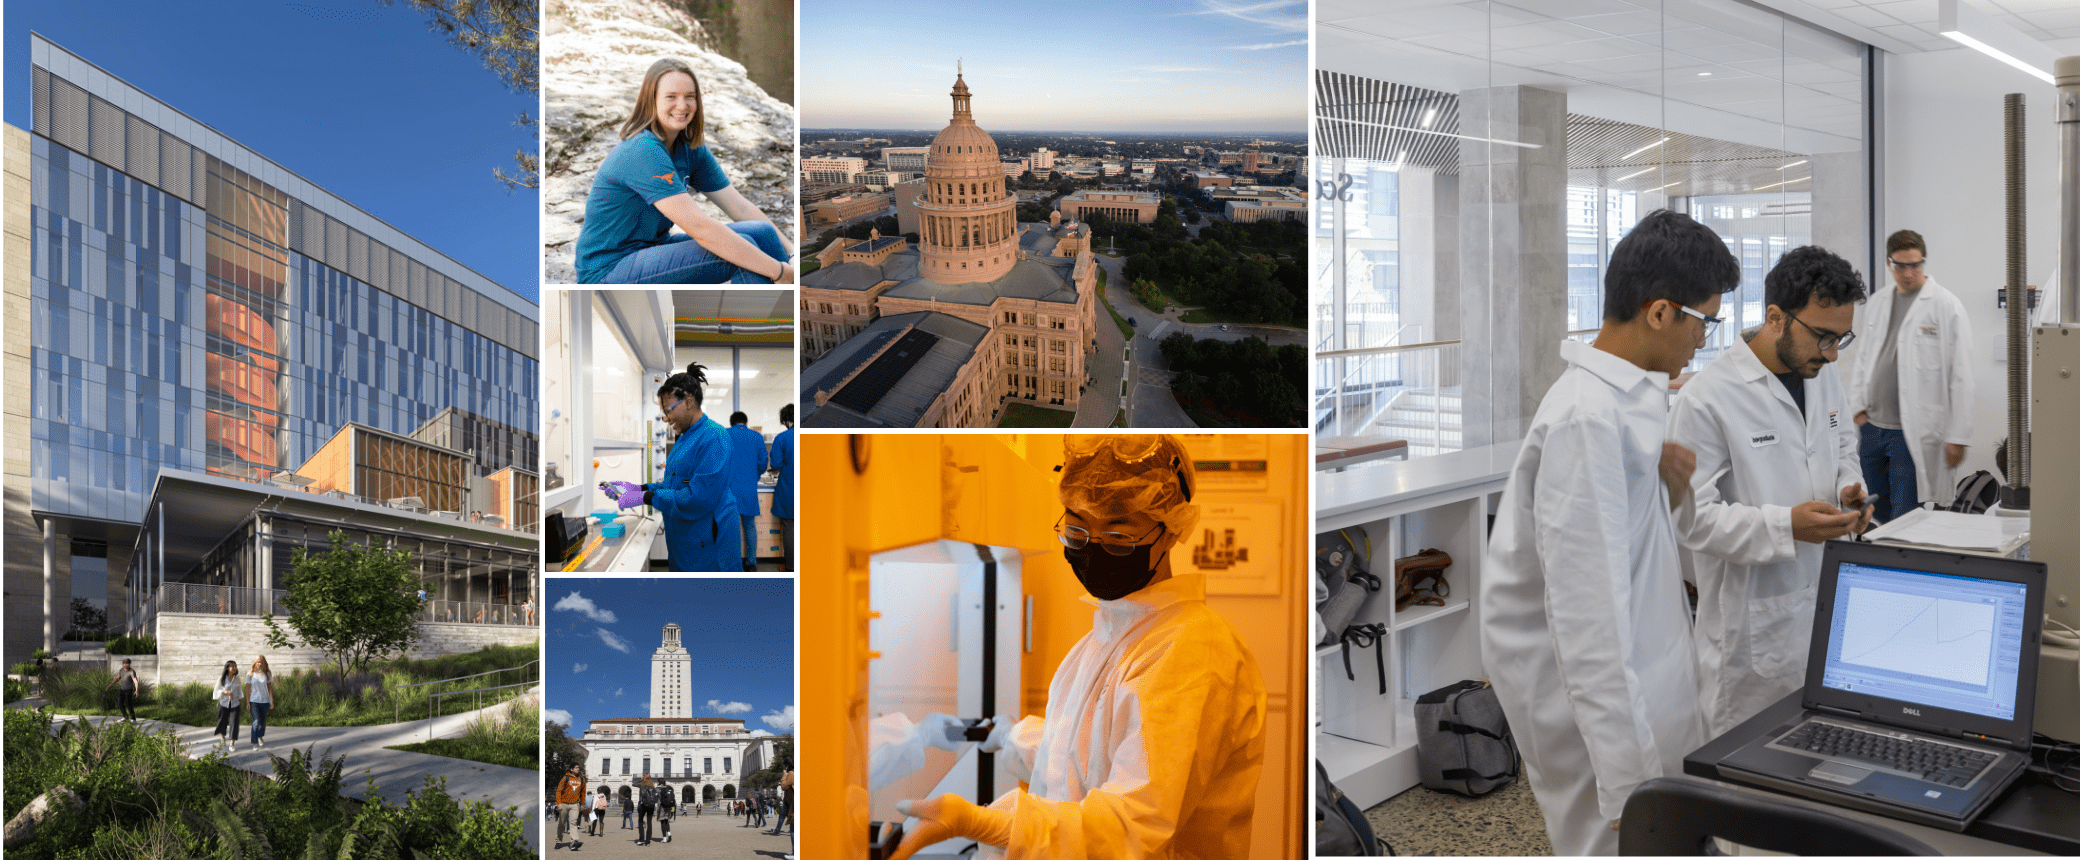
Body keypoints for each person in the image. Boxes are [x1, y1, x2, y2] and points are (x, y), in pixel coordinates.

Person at [1479, 208, 1735, 856]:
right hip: (1602, 724)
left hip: (1648, 683)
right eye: (1704, 320)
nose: (1704, 340)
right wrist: (1627, 786)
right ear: (1658, 312)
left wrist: (1666, 488)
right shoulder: (1586, 420)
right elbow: (1587, 619)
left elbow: (1631, 546)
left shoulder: (1624, 403)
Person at [891, 435, 1268, 860]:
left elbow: (1131, 826)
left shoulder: (1194, 653)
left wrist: (980, 823)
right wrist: (994, 732)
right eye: (1076, 532)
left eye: (1118, 536)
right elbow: (1079, 755)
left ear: (1170, 531)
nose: (1093, 550)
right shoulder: (1108, 638)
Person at [1670, 245, 1874, 739]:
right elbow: (1690, 518)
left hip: (1824, 605)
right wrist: (1787, 527)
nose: (1830, 354)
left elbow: (1843, 443)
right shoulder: (1710, 397)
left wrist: (1851, 488)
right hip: (1751, 631)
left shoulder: (1822, 375)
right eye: (1823, 337)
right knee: (1748, 787)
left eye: (1840, 340)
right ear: (1776, 317)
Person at [574, 57, 793, 285]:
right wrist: (778, 272)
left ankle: (785, 311)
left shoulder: (689, 148)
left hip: (651, 250)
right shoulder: (642, 150)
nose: (682, 105)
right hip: (607, 270)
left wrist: (792, 255)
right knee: (739, 256)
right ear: (651, 101)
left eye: (690, 96)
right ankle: (763, 318)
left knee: (762, 234)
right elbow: (701, 228)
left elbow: (739, 207)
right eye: (671, 97)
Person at [1842, 229, 1975, 523]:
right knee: (1873, 511)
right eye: (1901, 266)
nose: (1909, 273)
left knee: (1905, 517)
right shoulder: (1877, 302)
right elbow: (1864, 357)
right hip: (1871, 427)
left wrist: (1958, 436)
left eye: (1915, 265)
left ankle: (1900, 564)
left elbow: (1962, 375)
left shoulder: (1945, 305)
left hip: (1910, 432)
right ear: (1890, 264)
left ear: (1924, 262)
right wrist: (1857, 406)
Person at [601, 363, 740, 570]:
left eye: (668, 410)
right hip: (686, 544)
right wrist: (638, 488)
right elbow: (674, 486)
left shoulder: (714, 437)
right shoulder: (684, 439)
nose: (665, 418)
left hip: (709, 550)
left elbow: (697, 498)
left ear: (689, 402)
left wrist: (645, 498)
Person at [725, 411, 768, 572]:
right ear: (745, 422)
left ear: (732, 423)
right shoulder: (756, 437)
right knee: (750, 527)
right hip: (749, 489)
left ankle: (733, 563)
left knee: (732, 528)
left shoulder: (725, 435)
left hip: (729, 490)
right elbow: (763, 462)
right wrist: (755, 475)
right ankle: (751, 563)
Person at [770, 404, 795, 572]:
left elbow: (776, 463)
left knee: (790, 527)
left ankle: (791, 566)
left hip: (790, 488)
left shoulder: (783, 438)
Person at [212, 660, 244, 750]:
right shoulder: (221, 679)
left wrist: (241, 703)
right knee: (223, 721)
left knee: (234, 723)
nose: (234, 668)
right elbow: (216, 691)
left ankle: (232, 744)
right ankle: (222, 737)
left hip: (235, 704)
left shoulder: (237, 679)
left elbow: (239, 692)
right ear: (227, 668)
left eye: (235, 666)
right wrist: (224, 691)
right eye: (232, 666)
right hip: (223, 704)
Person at [244, 655, 275, 748]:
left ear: (264, 663)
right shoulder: (250, 674)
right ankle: (254, 742)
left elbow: (270, 688)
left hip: (265, 701)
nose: (260, 663)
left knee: (262, 722)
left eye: (261, 661)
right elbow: (247, 689)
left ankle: (260, 736)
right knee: (256, 721)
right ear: (255, 663)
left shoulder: (267, 674)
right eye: (258, 662)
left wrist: (271, 701)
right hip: (254, 701)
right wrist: (247, 702)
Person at [556, 766, 588, 850]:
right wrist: (559, 803)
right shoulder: (565, 778)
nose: (578, 769)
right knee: (561, 824)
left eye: (578, 768)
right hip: (564, 804)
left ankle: (574, 842)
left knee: (573, 823)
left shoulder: (581, 779)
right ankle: (558, 841)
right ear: (571, 769)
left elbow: (583, 792)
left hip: (575, 804)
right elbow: (559, 791)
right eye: (576, 768)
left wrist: (582, 803)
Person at [105, 657, 140, 723]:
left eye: (126, 663)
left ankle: (133, 719)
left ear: (129, 664)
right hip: (122, 689)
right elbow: (117, 678)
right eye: (124, 663)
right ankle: (125, 717)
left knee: (128, 703)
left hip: (129, 689)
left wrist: (137, 690)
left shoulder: (132, 671)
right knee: (119, 704)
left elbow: (135, 681)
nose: (125, 665)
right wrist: (110, 685)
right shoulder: (121, 670)